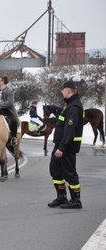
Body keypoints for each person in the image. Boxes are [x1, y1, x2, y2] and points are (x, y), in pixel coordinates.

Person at [47, 80, 83, 209]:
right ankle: (61, 197)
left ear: (68, 90)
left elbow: (70, 130)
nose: (61, 92)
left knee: (69, 172)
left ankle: (76, 200)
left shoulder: (74, 107)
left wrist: (62, 148)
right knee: (55, 170)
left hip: (67, 147)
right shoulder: (69, 105)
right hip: (60, 145)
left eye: (63, 90)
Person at [0, 76, 19, 145]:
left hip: (7, 110)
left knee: (14, 121)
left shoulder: (9, 91)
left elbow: (10, 102)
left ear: (3, 82)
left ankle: (14, 137)